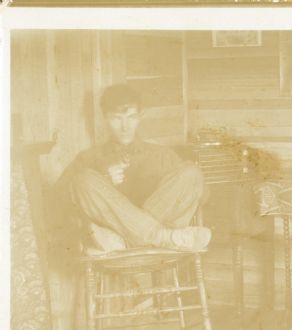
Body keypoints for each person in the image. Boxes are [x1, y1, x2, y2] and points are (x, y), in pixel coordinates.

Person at [55, 84, 211, 253]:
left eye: (131, 117)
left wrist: (169, 192)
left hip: (112, 242)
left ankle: (125, 241)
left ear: (140, 117)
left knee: (192, 172)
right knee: (82, 179)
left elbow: (203, 194)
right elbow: (58, 197)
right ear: (105, 118)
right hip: (163, 240)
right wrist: (104, 179)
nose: (125, 127)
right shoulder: (89, 157)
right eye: (116, 118)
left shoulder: (161, 155)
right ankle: (164, 238)